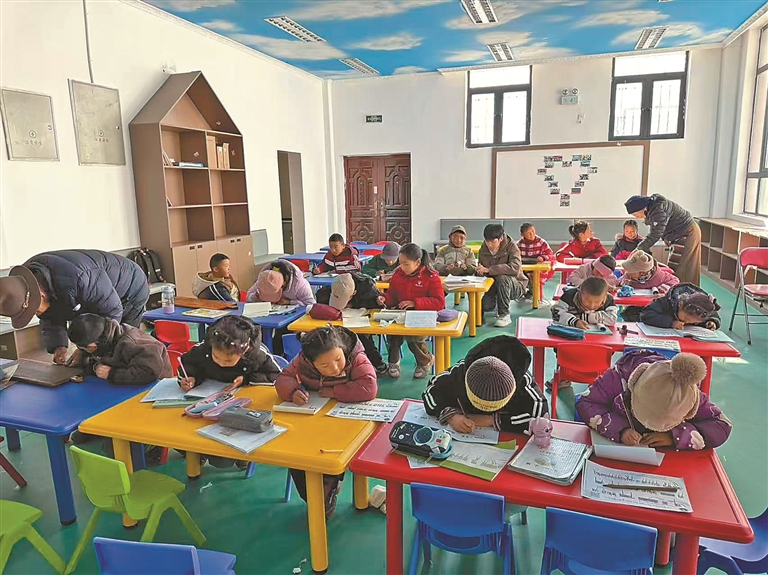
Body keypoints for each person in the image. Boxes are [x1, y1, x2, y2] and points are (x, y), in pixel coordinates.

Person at [274, 326, 377, 518]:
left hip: (347, 420)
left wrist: (333, 391)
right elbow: (284, 378)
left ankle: (328, 490)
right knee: (297, 454)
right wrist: (293, 392)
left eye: (338, 359)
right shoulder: (302, 361)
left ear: (343, 350)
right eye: (324, 365)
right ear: (311, 363)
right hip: (313, 417)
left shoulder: (356, 358)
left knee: (332, 456)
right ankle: (318, 496)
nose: (335, 368)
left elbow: (369, 387)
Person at [0, 250, 149, 365]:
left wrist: (83, 349)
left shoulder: (77, 278)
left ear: (40, 295)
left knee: (122, 347)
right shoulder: (28, 282)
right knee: (96, 356)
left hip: (130, 287)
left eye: (35, 310)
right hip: (96, 293)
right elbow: (50, 316)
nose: (37, 314)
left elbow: (111, 314)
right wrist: (59, 347)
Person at [178, 315, 282, 469]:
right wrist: (190, 378)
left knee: (225, 451)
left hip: (243, 404)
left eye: (227, 361)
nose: (220, 363)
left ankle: (237, 456)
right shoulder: (204, 348)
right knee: (181, 430)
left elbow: (276, 376)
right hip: (207, 400)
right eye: (215, 357)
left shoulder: (257, 355)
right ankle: (200, 453)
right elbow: (187, 364)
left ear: (243, 352)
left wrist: (246, 379)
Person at [576, 350, 731, 450]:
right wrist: (620, 430)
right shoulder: (617, 378)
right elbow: (585, 402)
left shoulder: (689, 394)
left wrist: (674, 436)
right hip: (619, 449)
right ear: (634, 384)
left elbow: (722, 426)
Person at [422, 335, 548, 433]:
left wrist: (494, 420)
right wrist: (450, 415)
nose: (484, 409)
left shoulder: (521, 379)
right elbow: (430, 393)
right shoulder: (460, 373)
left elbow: (540, 416)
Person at [380, 243, 445, 379]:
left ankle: (425, 361)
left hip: (422, 315)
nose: (402, 267)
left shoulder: (431, 276)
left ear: (417, 263)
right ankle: (393, 362)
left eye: (406, 264)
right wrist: (384, 299)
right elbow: (393, 296)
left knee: (413, 338)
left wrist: (415, 303)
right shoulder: (398, 274)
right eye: (400, 263)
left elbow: (439, 303)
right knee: (393, 334)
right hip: (401, 314)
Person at [67, 313, 172, 386]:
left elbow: (149, 373)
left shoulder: (131, 344)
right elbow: (100, 360)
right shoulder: (105, 335)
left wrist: (112, 374)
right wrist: (85, 361)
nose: (79, 350)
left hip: (155, 389)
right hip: (126, 387)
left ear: (92, 346)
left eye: (80, 347)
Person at [317, 273, 388, 374]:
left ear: (354, 293)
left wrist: (357, 306)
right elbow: (321, 303)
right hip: (340, 322)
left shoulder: (368, 288)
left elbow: (378, 308)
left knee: (361, 336)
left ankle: (375, 362)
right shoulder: (330, 289)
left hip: (361, 320)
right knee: (332, 337)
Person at [625, 194, 702, 285]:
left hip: (687, 233)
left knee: (682, 267)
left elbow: (655, 234)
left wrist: (638, 249)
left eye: (635, 214)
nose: (636, 217)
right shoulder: (653, 208)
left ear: (643, 208)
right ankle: (677, 288)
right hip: (679, 233)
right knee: (674, 265)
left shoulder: (658, 210)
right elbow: (660, 228)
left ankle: (684, 290)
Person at [477, 224, 528, 328]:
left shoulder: (512, 247)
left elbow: (515, 268)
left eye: (493, 242)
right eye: (487, 241)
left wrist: (489, 269)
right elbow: (482, 269)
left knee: (502, 278)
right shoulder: (483, 249)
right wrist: (480, 271)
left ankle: (504, 315)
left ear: (501, 239)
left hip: (516, 284)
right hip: (494, 285)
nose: (489, 244)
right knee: (486, 306)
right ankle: (495, 303)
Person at [640, 283, 721, 330]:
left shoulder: (704, 309)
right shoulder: (665, 302)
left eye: (693, 322)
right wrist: (671, 323)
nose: (686, 322)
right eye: (685, 318)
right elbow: (646, 314)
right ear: (680, 304)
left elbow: (714, 316)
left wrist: (712, 322)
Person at [551, 277, 618, 330]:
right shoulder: (569, 296)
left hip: (599, 338)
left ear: (605, 297)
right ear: (580, 293)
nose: (592, 306)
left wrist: (585, 317)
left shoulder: (609, 300)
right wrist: (575, 321)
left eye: (597, 302)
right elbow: (555, 314)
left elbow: (612, 320)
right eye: (587, 301)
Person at [246, 260, 315, 306]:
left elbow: (311, 305)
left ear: (284, 283)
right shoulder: (264, 279)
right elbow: (248, 296)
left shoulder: (300, 285)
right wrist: (254, 297)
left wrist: (289, 302)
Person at [517, 222, 555, 298]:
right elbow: (514, 256)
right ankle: (527, 291)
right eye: (528, 233)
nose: (532, 234)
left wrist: (543, 257)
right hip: (524, 270)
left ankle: (538, 298)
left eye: (533, 231)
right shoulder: (519, 244)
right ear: (522, 235)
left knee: (537, 282)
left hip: (539, 269)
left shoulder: (541, 242)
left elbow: (550, 254)